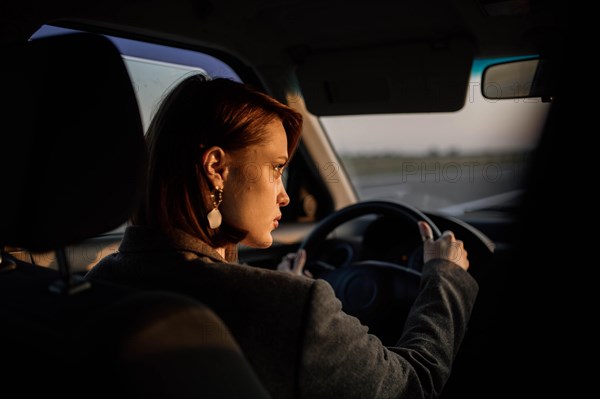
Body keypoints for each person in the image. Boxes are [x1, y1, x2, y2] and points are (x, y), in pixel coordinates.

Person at [86, 74, 478, 399]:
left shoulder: (98, 283)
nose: (285, 195)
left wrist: (283, 290)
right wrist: (444, 277)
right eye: (275, 169)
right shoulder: (291, 306)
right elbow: (414, 384)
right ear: (216, 168)